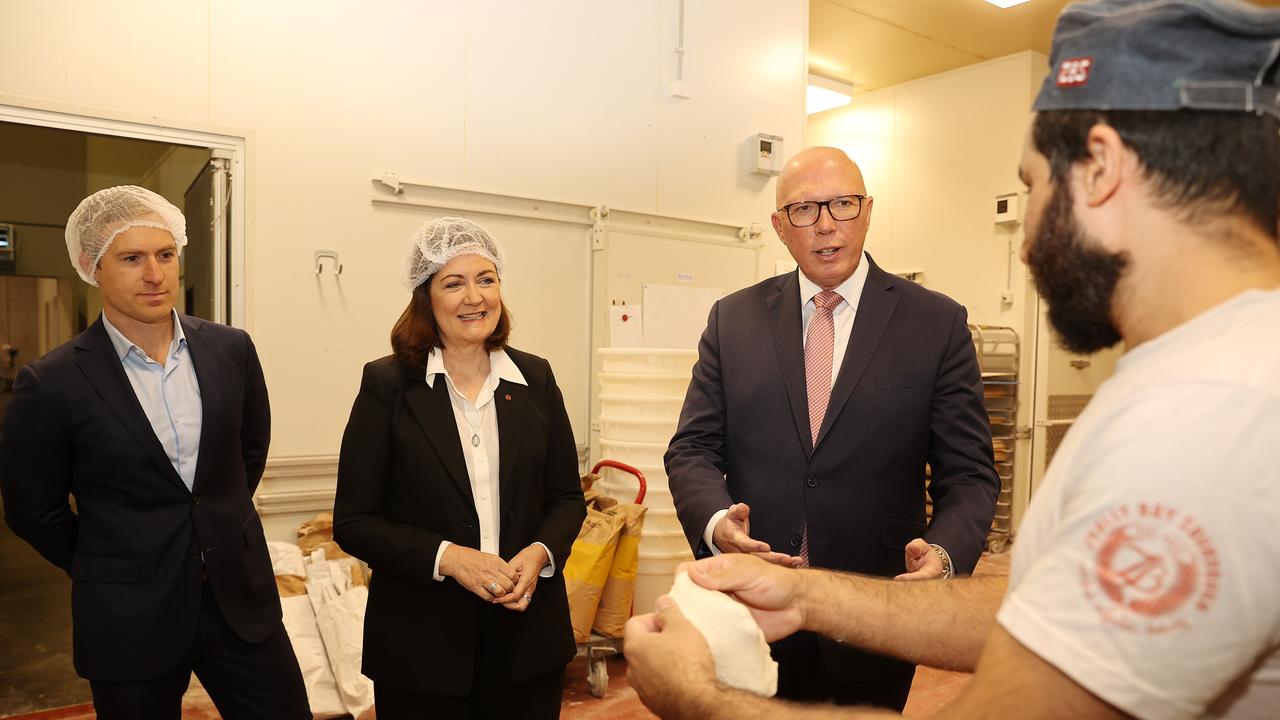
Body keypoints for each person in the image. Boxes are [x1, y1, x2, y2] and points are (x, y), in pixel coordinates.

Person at [627, 0, 1280, 717]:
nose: (1027, 233)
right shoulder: (1214, 378)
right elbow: (1042, 617)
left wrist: (697, 700)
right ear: (780, 226)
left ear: (1100, 168)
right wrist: (808, 593)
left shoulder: (1208, 420)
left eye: (1031, 186)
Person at [664, 144, 1000, 706]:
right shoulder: (733, 320)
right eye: (804, 210)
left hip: (876, 610)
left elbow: (968, 474)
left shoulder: (935, 323)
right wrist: (718, 523)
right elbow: (692, 449)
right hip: (754, 611)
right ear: (778, 226)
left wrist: (943, 556)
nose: (825, 226)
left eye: (842, 205)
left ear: (868, 211)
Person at [0, 185, 309, 719]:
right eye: (132, 258)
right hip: (128, 615)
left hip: (239, 602)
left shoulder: (229, 349)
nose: (155, 274)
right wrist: (107, 562)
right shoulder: (51, 382)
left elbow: (246, 455)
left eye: (165, 255)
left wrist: (215, 524)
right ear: (91, 266)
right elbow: (33, 508)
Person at [333, 216, 585, 718]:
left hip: (526, 639)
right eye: (454, 283)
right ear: (426, 297)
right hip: (422, 647)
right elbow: (355, 522)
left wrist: (539, 553)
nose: (475, 297)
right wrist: (449, 557)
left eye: (486, 279)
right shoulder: (387, 385)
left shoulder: (535, 377)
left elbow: (565, 498)